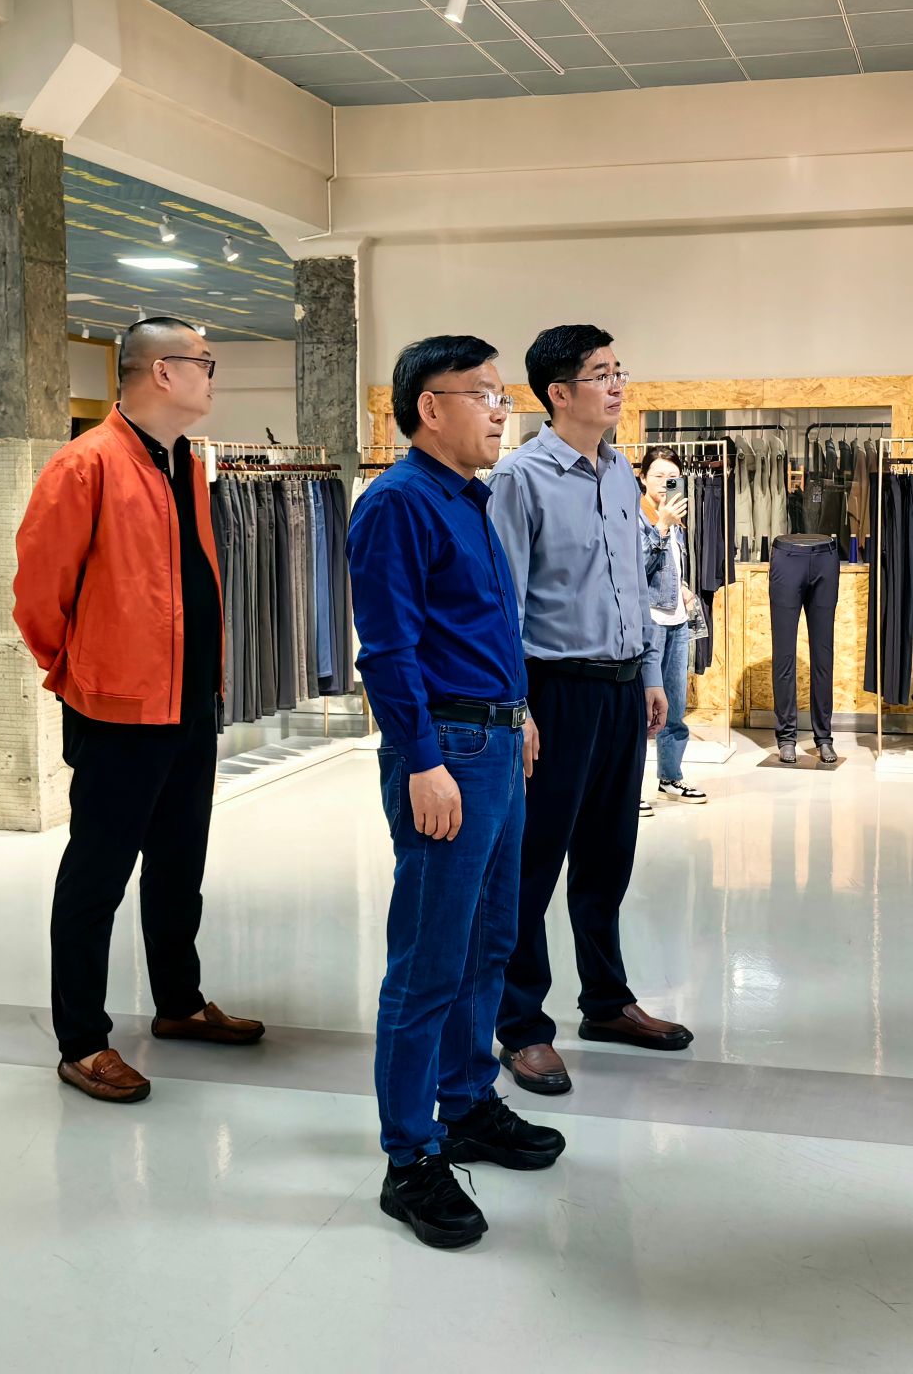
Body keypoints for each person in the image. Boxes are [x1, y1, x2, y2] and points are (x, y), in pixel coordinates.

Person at [348, 334, 566, 1250]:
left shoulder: (470, 499)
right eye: (482, 393)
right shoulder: (397, 503)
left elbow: (485, 626)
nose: (500, 410)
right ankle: (409, 1157)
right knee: (429, 960)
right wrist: (423, 759)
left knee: (489, 943)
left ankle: (468, 1101)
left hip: (496, 739)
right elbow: (387, 650)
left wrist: (519, 710)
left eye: (502, 394)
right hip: (448, 750)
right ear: (428, 407)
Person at [13, 316, 265, 1105]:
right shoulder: (85, 464)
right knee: (97, 875)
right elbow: (37, 592)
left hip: (188, 700)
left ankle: (179, 1001)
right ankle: (82, 1041)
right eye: (205, 362)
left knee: (180, 864)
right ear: (163, 371)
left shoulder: (184, 460)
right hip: (118, 708)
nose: (213, 376)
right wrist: (81, 670)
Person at [488, 324, 694, 1099]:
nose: (617, 386)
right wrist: (518, 706)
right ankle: (521, 1026)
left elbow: (633, 582)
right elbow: (503, 602)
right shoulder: (521, 478)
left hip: (620, 689)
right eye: (601, 374)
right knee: (532, 863)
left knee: (608, 857)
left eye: (619, 371)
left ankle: (606, 1002)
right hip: (554, 689)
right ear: (558, 393)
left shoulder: (617, 472)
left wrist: (648, 671)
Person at [639, 448, 706, 807]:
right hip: (648, 623)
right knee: (641, 708)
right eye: (658, 476)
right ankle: (629, 789)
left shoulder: (675, 515)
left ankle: (670, 776)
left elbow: (668, 568)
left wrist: (681, 587)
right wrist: (661, 526)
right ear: (643, 478)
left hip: (676, 620)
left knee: (675, 707)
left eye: (672, 478)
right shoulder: (637, 516)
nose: (665, 483)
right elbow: (637, 568)